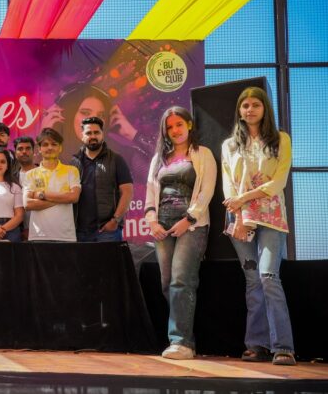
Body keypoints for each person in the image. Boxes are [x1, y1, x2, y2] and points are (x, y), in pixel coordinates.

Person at [221, 86, 296, 366]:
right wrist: (240, 216)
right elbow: (229, 185)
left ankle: (283, 347)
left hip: (271, 217)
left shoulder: (280, 139)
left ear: (265, 109)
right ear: (239, 111)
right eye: (245, 105)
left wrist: (245, 198)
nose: (250, 109)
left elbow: (279, 182)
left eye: (255, 105)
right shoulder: (229, 145)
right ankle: (256, 344)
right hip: (240, 218)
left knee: (268, 276)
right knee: (253, 280)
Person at [144, 106, 216, 360]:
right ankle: (184, 339)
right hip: (162, 227)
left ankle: (181, 342)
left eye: (179, 124)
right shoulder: (158, 159)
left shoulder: (203, 154)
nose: (175, 130)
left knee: (181, 281)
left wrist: (189, 219)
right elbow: (150, 194)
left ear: (189, 125)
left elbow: (207, 191)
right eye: (169, 127)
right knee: (167, 283)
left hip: (191, 226)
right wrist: (152, 222)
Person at [70, 117, 133, 242]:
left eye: (96, 132)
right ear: (82, 136)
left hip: (107, 230)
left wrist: (115, 220)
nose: (93, 136)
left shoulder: (116, 159)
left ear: (102, 134)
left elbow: (127, 192)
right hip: (80, 232)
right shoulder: (74, 162)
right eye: (88, 133)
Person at [24, 128, 81, 242]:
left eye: (54, 144)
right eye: (45, 144)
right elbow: (28, 204)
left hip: (65, 236)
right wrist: (63, 199)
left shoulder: (71, 171)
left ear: (60, 148)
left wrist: (41, 195)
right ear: (39, 149)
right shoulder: (30, 174)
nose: (50, 147)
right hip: (38, 236)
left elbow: (74, 197)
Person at [14, 136, 37, 240]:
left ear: (33, 151)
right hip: (17, 230)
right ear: (15, 153)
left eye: (28, 148)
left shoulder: (43, 173)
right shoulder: (11, 178)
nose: (24, 152)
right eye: (20, 149)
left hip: (41, 228)